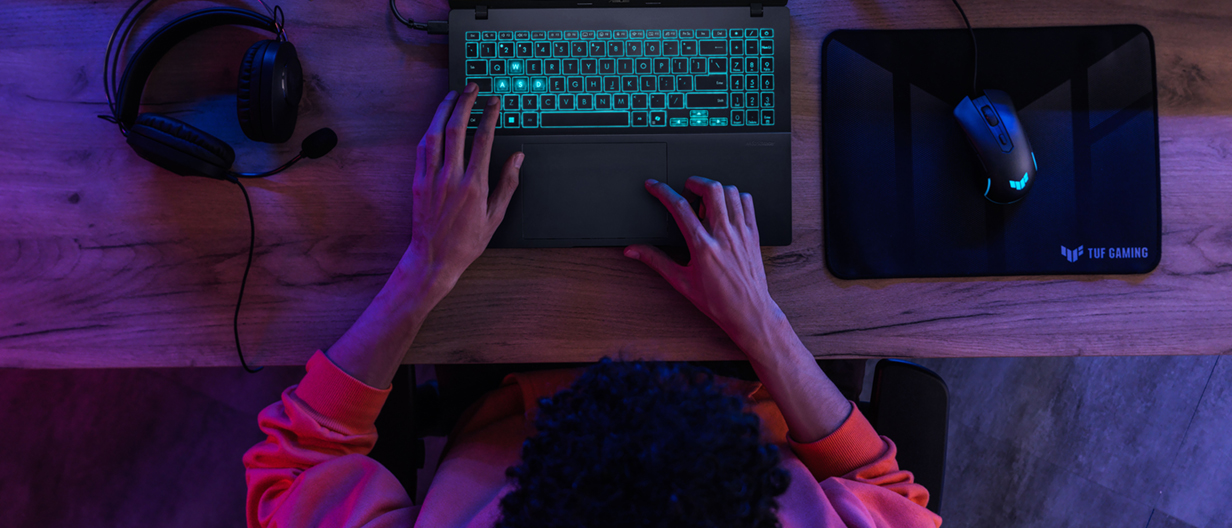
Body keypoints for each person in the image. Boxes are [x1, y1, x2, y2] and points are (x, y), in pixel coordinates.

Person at [243, 85, 942, 528]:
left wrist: (424, 270)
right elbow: (884, 491)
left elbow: (291, 469)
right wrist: (759, 319)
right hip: (746, 366)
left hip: (499, 385)